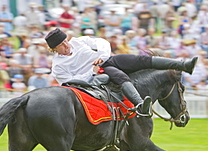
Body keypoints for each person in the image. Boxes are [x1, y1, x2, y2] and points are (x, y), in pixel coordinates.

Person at [45, 28, 198, 116]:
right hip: (95, 76)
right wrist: (92, 72)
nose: (65, 45)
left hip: (106, 60)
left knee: (139, 60)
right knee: (119, 76)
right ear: (54, 49)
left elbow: (102, 43)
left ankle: (183, 65)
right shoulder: (58, 65)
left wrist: (102, 56)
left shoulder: (78, 41)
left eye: (65, 40)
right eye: (60, 45)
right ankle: (140, 104)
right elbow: (69, 83)